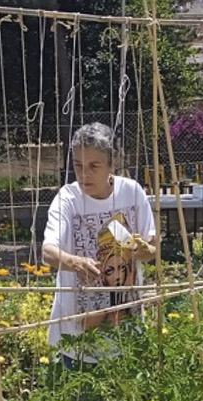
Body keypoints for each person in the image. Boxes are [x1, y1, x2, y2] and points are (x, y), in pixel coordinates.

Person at [40, 122, 158, 368]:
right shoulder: (67, 199)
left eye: (94, 166)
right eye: (78, 166)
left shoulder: (132, 192)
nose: (84, 175)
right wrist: (76, 262)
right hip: (77, 340)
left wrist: (143, 251)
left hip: (129, 333)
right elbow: (48, 253)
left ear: (112, 164)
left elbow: (152, 248)